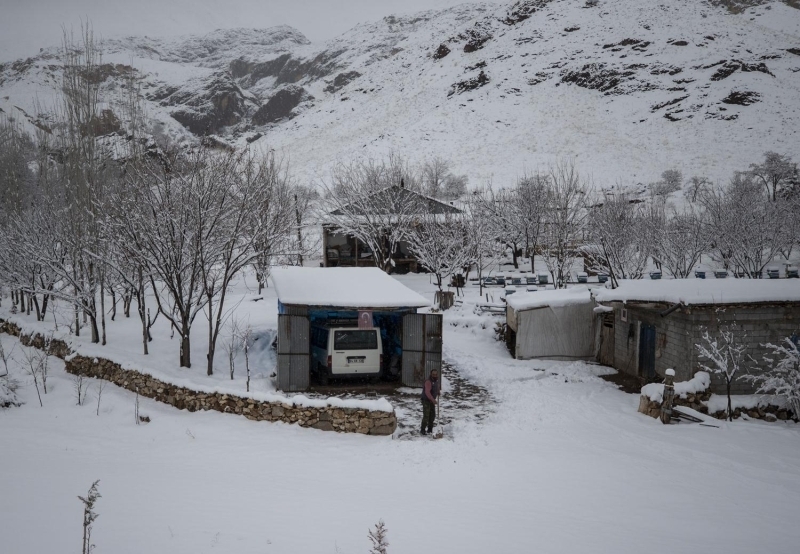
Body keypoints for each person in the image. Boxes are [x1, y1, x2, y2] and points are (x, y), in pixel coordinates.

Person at [420, 369, 440, 435]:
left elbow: (436, 387)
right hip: (426, 400)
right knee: (426, 415)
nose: (435, 376)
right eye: (433, 374)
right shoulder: (428, 381)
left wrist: (438, 391)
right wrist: (433, 400)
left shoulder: (436, 380)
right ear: (431, 374)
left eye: (436, 374)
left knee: (432, 415)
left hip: (431, 400)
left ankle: (430, 429)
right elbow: (427, 392)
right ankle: (422, 429)